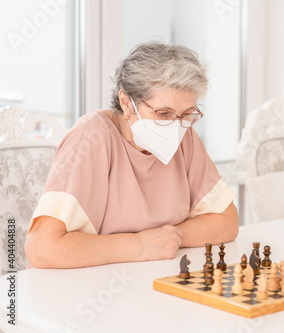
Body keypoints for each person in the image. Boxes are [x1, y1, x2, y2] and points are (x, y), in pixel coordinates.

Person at [25, 42, 239, 268]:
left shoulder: (184, 134)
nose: (176, 126)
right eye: (163, 113)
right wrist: (139, 245)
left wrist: (169, 238)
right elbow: (42, 247)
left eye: (186, 114)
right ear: (126, 103)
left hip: (151, 279)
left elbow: (227, 221)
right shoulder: (92, 136)